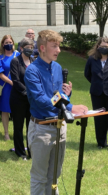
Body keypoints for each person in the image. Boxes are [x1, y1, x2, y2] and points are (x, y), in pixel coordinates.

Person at [24, 29, 86, 195]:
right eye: (54, 46)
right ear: (42, 48)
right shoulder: (32, 71)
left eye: (59, 46)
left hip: (60, 127)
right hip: (41, 130)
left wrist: (67, 94)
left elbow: (57, 97)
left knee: (54, 176)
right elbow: (42, 100)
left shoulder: (57, 68)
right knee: (39, 177)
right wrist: (71, 107)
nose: (59, 50)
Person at [10, 38, 35, 160]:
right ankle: (20, 152)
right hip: (18, 99)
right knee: (18, 126)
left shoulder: (34, 61)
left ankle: (31, 150)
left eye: (31, 47)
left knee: (30, 127)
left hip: (31, 100)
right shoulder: (15, 61)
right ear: (21, 48)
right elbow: (15, 81)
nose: (30, 49)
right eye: (28, 47)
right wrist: (28, 92)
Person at [0, 35, 19, 141]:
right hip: (5, 87)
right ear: (2, 44)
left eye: (10, 42)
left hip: (17, 87)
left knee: (17, 110)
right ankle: (6, 133)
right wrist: (10, 82)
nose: (8, 44)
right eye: (6, 42)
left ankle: (16, 132)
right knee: (5, 110)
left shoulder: (17, 55)